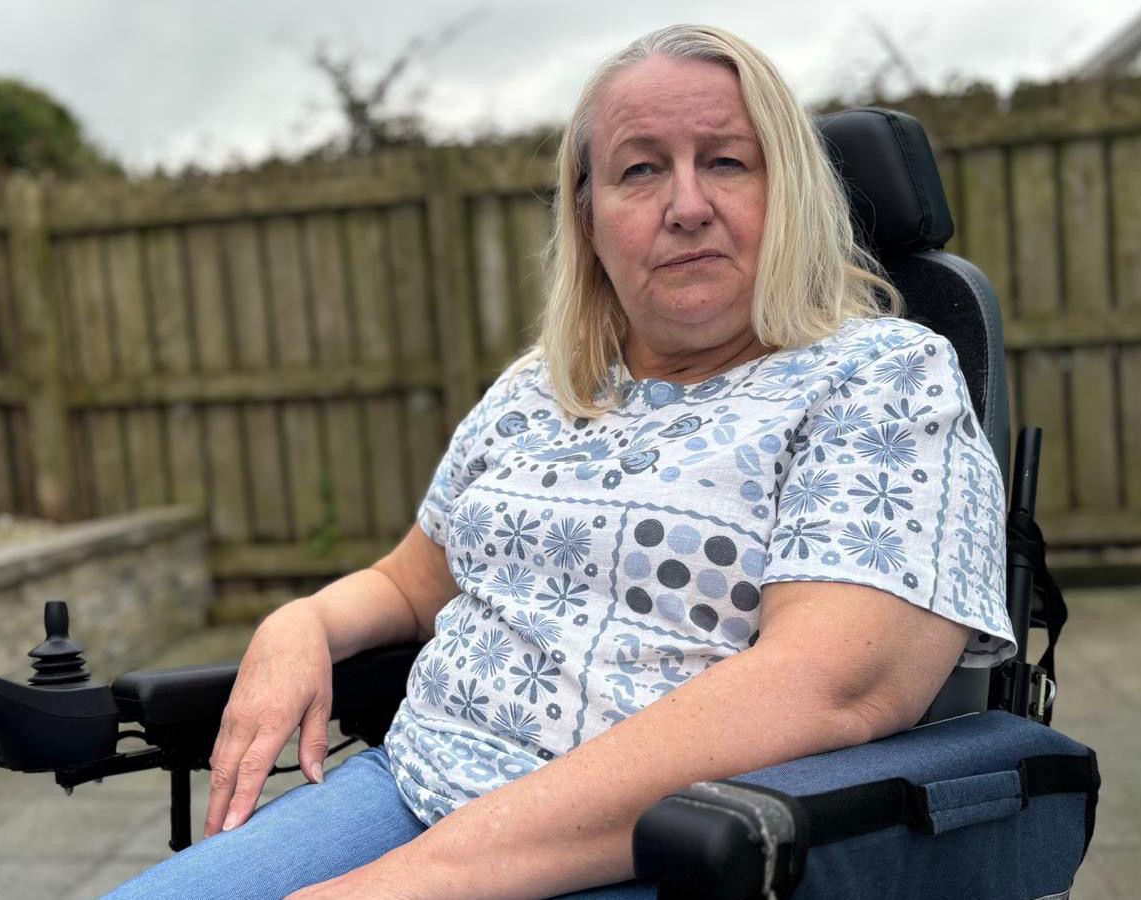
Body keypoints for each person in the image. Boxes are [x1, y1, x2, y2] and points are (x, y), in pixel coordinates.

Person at [106, 22, 1014, 900]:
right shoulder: (546, 387)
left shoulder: (880, 379)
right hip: (409, 787)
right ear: (590, 215)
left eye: (728, 161)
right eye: (640, 169)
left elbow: (834, 688)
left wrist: (406, 885)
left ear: (791, 193)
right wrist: (300, 624)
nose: (687, 203)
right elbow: (412, 584)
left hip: (663, 846)